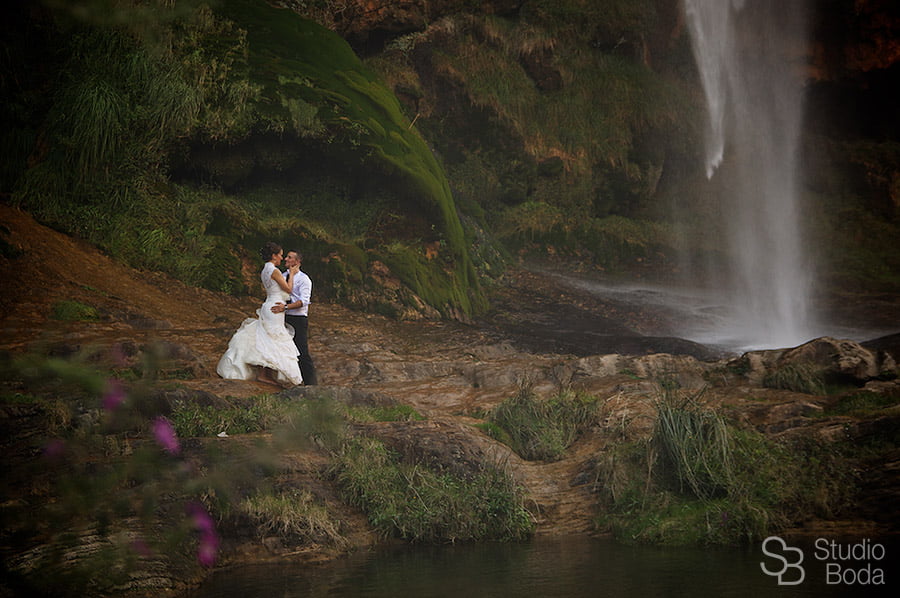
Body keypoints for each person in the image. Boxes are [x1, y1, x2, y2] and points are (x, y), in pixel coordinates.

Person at [216, 242, 303, 386]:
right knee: (270, 339)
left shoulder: (265, 270)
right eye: (281, 255)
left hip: (270, 304)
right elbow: (288, 289)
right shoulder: (274, 271)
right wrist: (292, 274)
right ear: (274, 256)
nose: (282, 258)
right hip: (275, 307)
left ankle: (266, 373)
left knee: (267, 338)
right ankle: (264, 374)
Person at [272, 250, 318, 385]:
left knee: (302, 351)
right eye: (286, 256)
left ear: (297, 262)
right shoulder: (283, 275)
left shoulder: (304, 279)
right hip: (282, 317)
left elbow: (304, 301)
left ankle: (311, 384)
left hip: (298, 319)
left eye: (289, 257)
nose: (286, 259)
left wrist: (285, 307)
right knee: (282, 348)